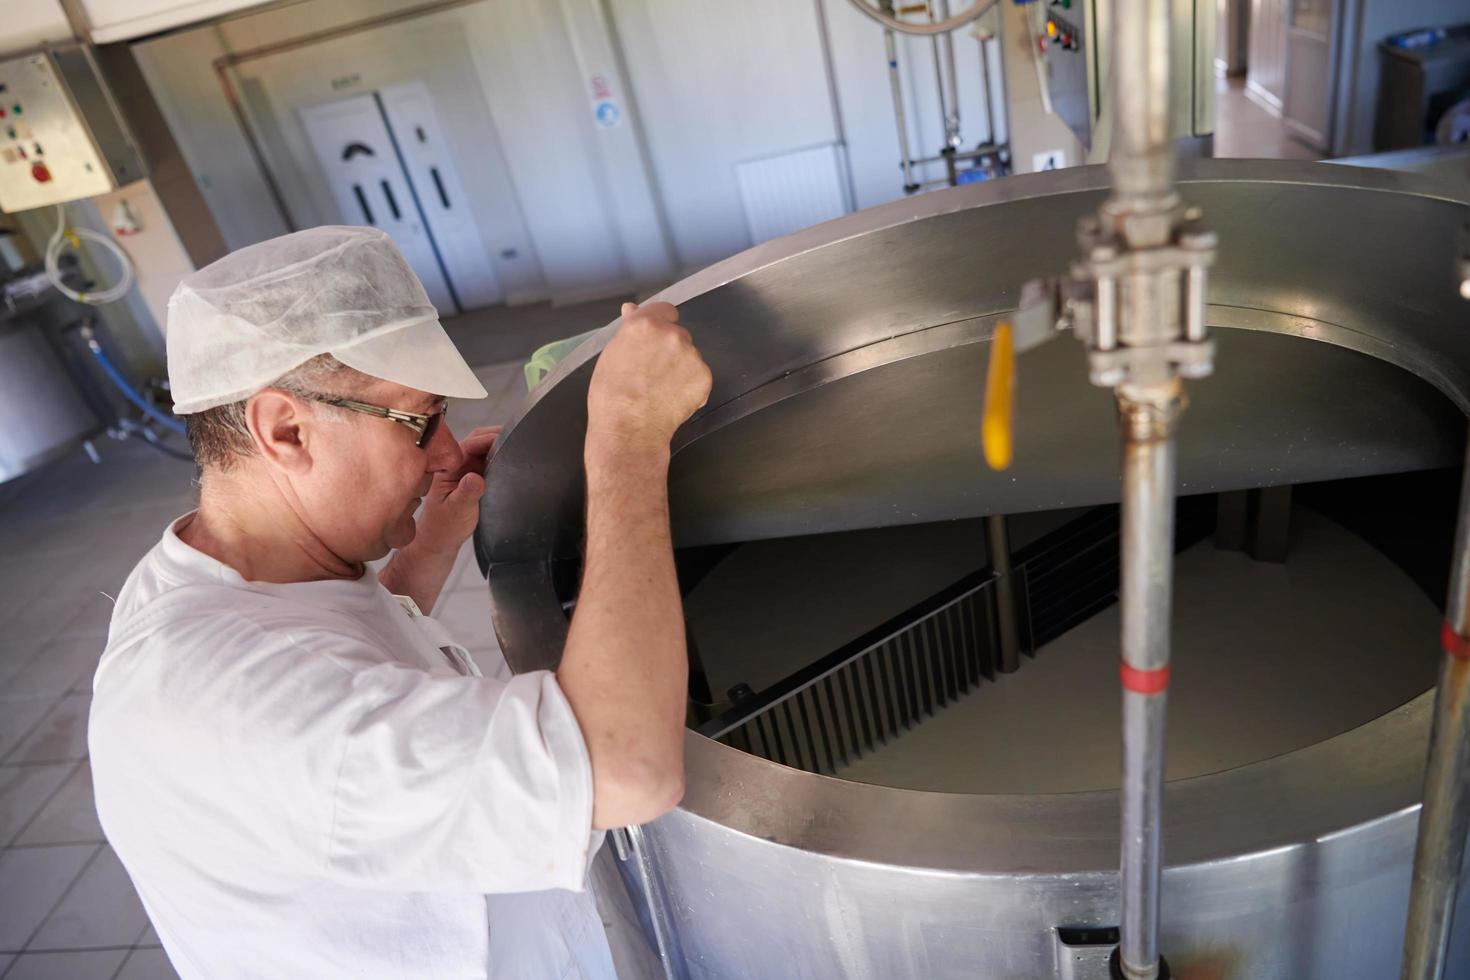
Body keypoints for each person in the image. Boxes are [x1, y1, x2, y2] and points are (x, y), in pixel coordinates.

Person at [89, 226, 712, 978]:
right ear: (286, 429)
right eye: (420, 421)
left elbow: (328, 658)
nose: (448, 453)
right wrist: (629, 439)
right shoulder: (239, 709)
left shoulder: (205, 571)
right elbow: (626, 768)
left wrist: (422, 552)